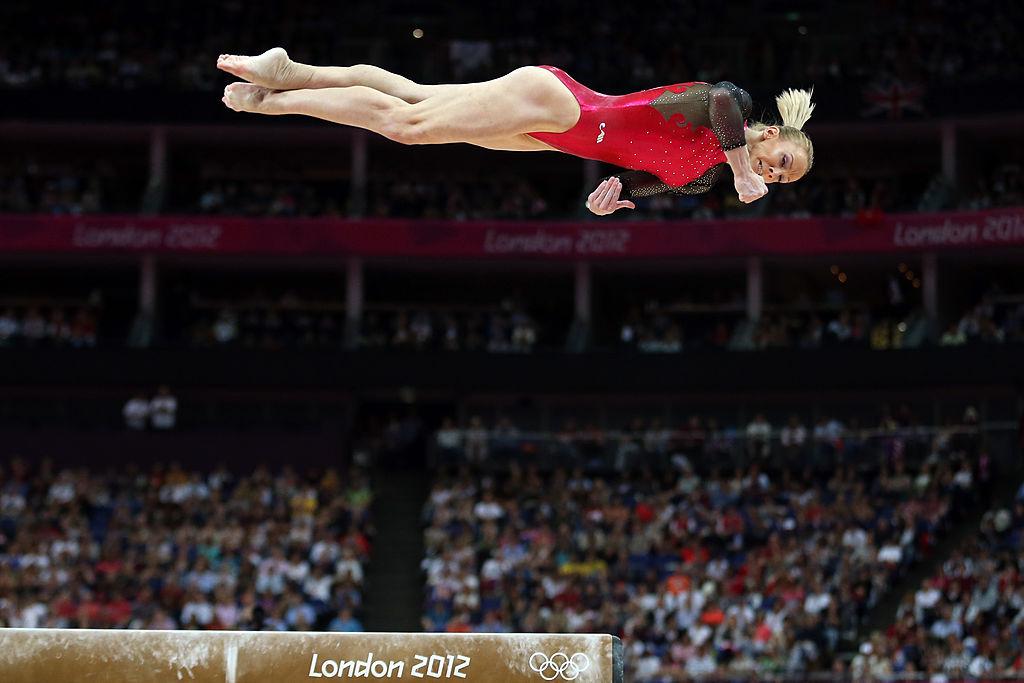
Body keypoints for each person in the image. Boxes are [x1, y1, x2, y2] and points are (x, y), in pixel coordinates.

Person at [217, 48, 814, 213]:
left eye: (781, 179)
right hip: (561, 104)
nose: (773, 174)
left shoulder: (703, 177)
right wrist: (742, 168)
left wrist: (611, 201)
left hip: (546, 136)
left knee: (414, 97)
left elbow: (639, 184)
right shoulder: (729, 110)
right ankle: (273, 102)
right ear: (771, 136)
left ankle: (293, 73)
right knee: (408, 127)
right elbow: (719, 99)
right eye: (783, 161)